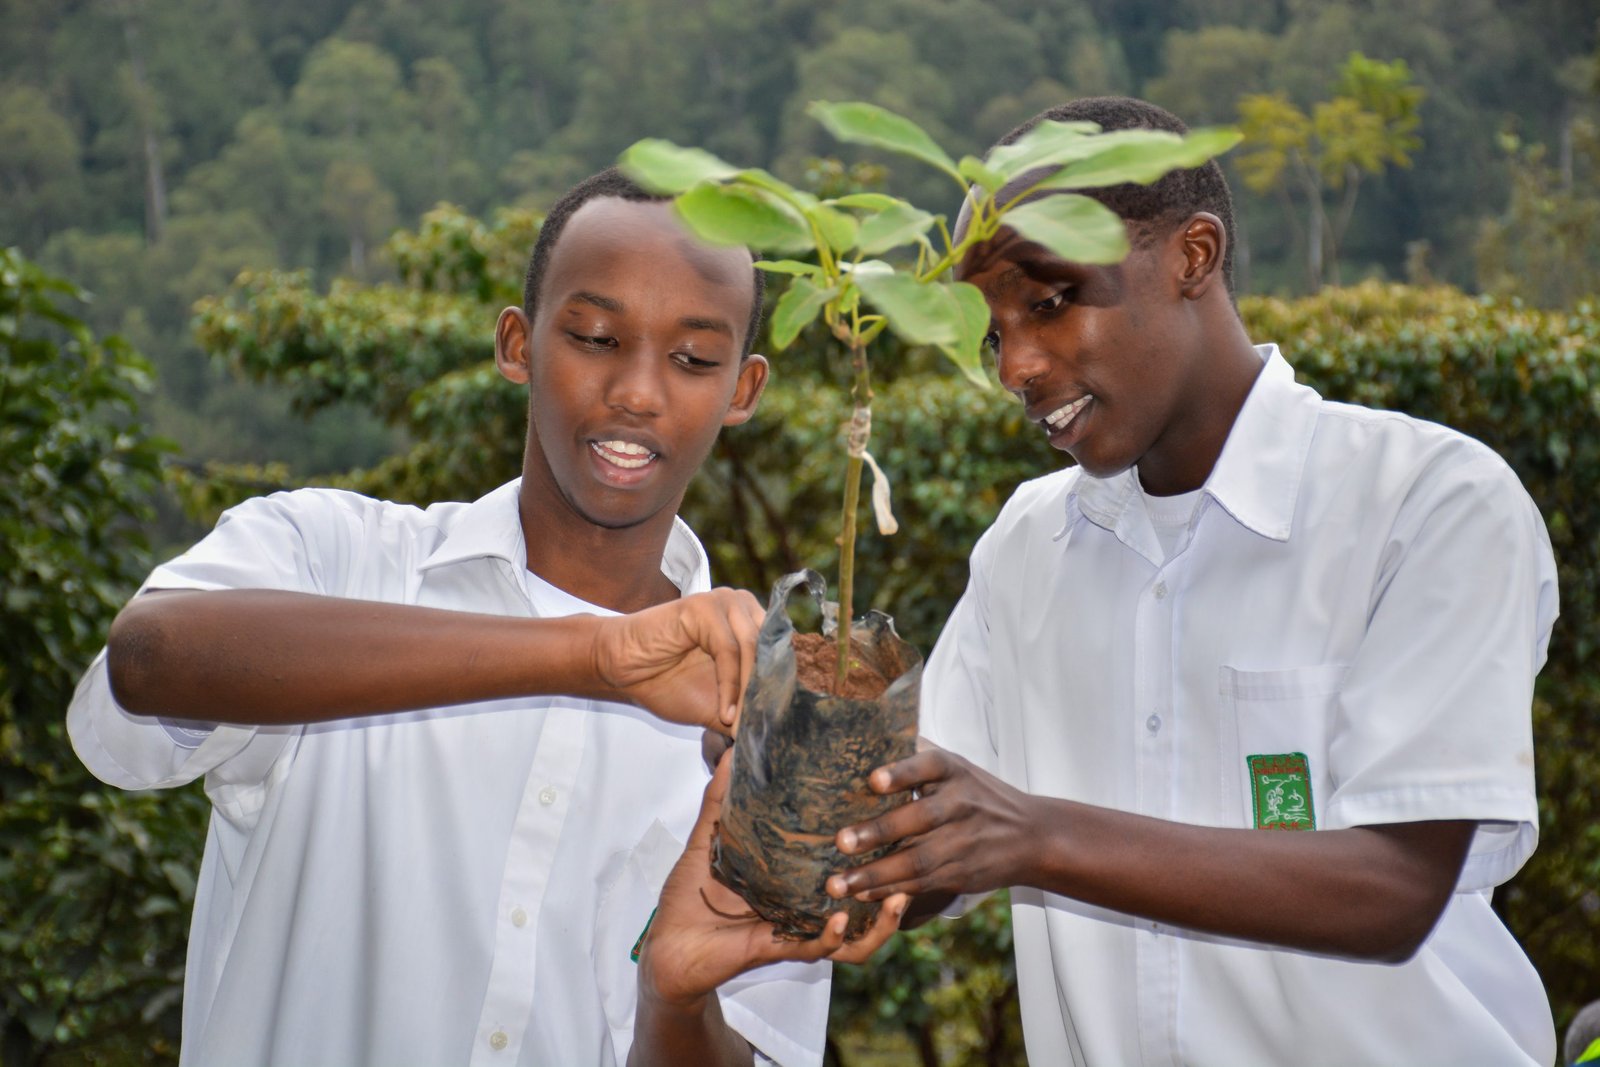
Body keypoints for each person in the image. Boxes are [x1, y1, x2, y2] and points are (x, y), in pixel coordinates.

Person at [68, 167, 900, 1067]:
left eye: (694, 359)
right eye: (593, 336)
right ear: (518, 344)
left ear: (743, 390)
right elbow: (150, 654)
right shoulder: (331, 553)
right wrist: (596, 653)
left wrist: (672, 998)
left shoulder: (767, 738)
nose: (638, 390)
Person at [825, 97, 1560, 1066]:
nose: (1015, 365)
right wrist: (810, 773)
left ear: (1192, 256)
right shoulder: (1027, 545)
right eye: (987, 335)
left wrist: (1036, 834)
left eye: (1046, 302)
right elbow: (937, 850)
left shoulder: (1424, 501)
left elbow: (1391, 890)